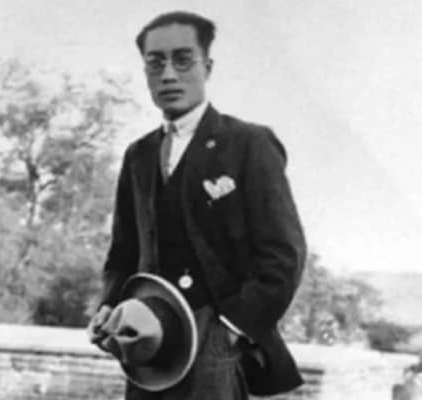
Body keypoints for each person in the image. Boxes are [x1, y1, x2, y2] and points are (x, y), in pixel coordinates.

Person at [89, 10, 307, 400]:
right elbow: (122, 255)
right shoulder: (138, 155)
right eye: (155, 63)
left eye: (183, 60)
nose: (168, 75)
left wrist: (231, 329)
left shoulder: (248, 144)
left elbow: (283, 256)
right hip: (149, 344)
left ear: (207, 67)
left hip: (217, 344)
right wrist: (109, 306)